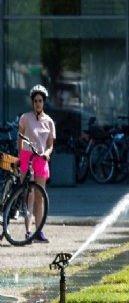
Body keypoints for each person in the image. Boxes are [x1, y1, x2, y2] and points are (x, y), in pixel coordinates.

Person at [18, 84, 56, 243]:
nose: (38, 103)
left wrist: (47, 153)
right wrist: (20, 158)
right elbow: (19, 139)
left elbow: (50, 144)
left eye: (40, 101)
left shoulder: (49, 122)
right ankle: (28, 231)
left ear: (44, 102)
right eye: (35, 101)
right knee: (29, 195)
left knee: (40, 197)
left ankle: (39, 231)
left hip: (41, 160)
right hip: (27, 158)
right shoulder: (25, 118)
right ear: (32, 102)